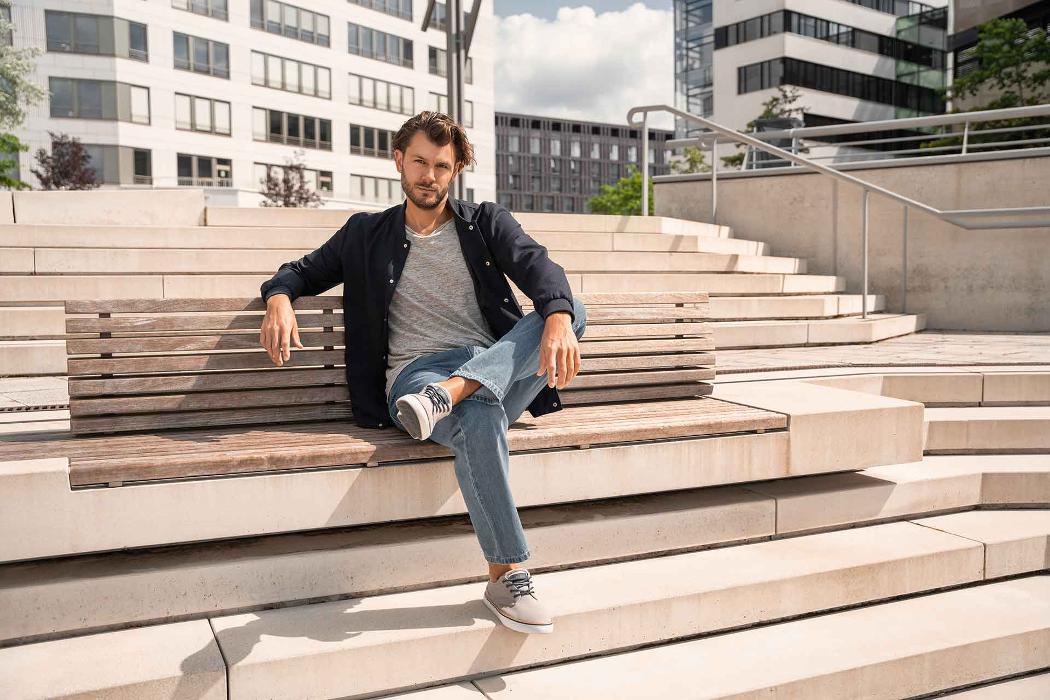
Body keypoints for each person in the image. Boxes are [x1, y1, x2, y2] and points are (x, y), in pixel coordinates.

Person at [258, 111, 587, 635]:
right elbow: (301, 271)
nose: (428, 175)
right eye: (419, 162)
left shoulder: (484, 223)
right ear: (398, 161)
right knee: (480, 415)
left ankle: (455, 391)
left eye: (441, 165)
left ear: (453, 171)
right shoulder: (366, 233)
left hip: (481, 372)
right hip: (414, 379)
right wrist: (278, 297)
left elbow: (540, 267)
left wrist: (559, 318)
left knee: (571, 309)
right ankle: (508, 575)